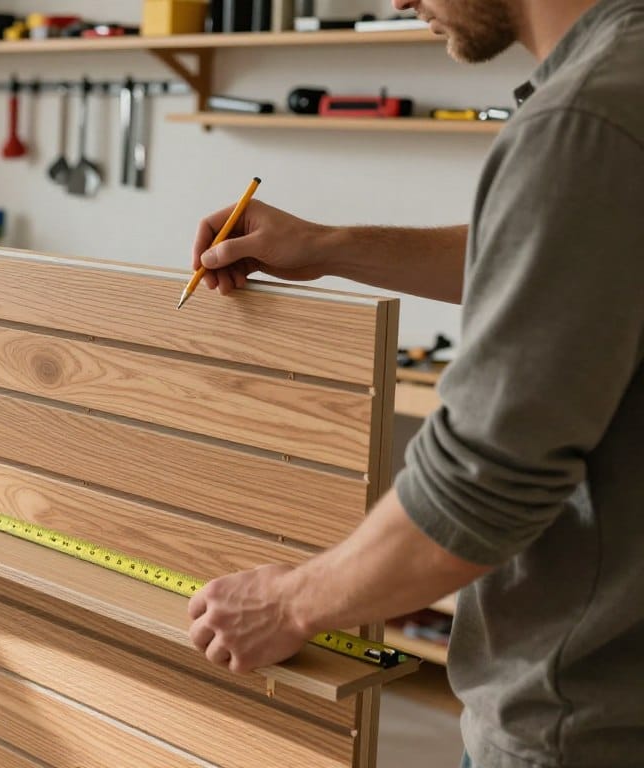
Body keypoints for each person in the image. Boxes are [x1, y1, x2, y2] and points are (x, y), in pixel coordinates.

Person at [182, 0, 644, 765]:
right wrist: (327, 246)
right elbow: (571, 256)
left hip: (585, 726)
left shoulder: (588, 117)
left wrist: (287, 602)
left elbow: (481, 488)